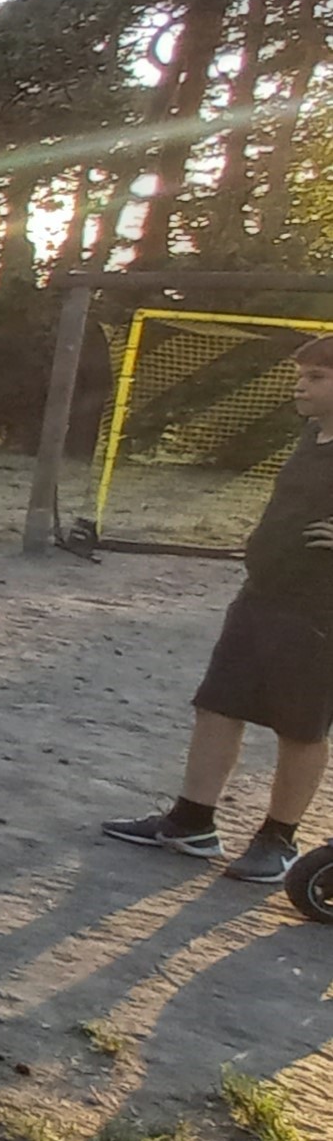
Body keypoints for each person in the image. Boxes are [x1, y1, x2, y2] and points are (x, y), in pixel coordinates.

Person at [103, 335, 333, 885]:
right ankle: (192, 821)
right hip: (263, 594)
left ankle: (278, 839)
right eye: (300, 374)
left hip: (320, 611)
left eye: (318, 377)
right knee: (218, 705)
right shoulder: (312, 435)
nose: (300, 384)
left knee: (300, 727)